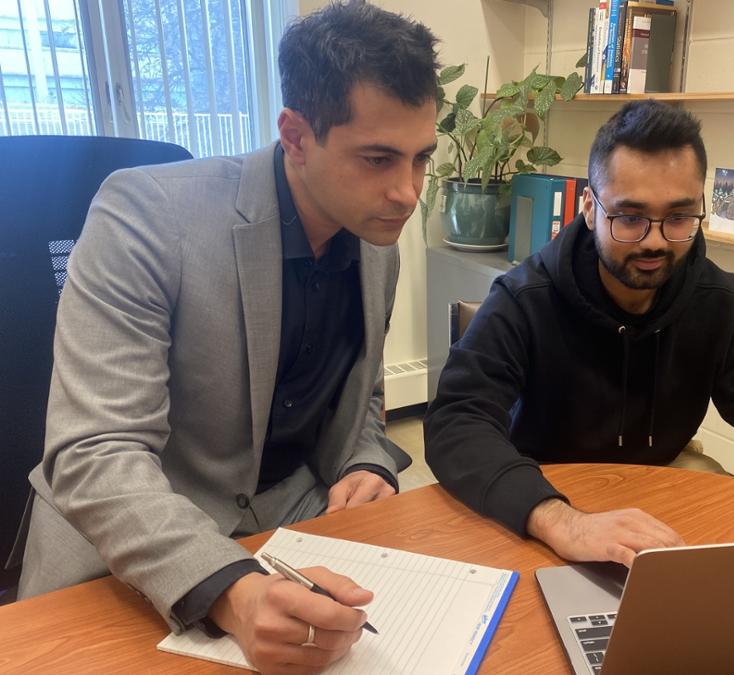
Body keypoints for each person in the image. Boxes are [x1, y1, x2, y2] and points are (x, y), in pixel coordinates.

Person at [16, 2, 439, 672]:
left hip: (291, 527)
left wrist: (366, 462)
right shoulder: (144, 215)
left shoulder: (375, 236)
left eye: (421, 158)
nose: (408, 192)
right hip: (134, 547)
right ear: (295, 136)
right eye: (379, 157)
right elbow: (94, 451)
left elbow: (363, 396)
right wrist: (232, 589)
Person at [424, 100, 734, 568]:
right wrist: (562, 520)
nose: (655, 241)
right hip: (545, 494)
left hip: (663, 486)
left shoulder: (721, 302)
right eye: (630, 217)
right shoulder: (523, 298)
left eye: (678, 217)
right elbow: (456, 421)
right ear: (590, 209)